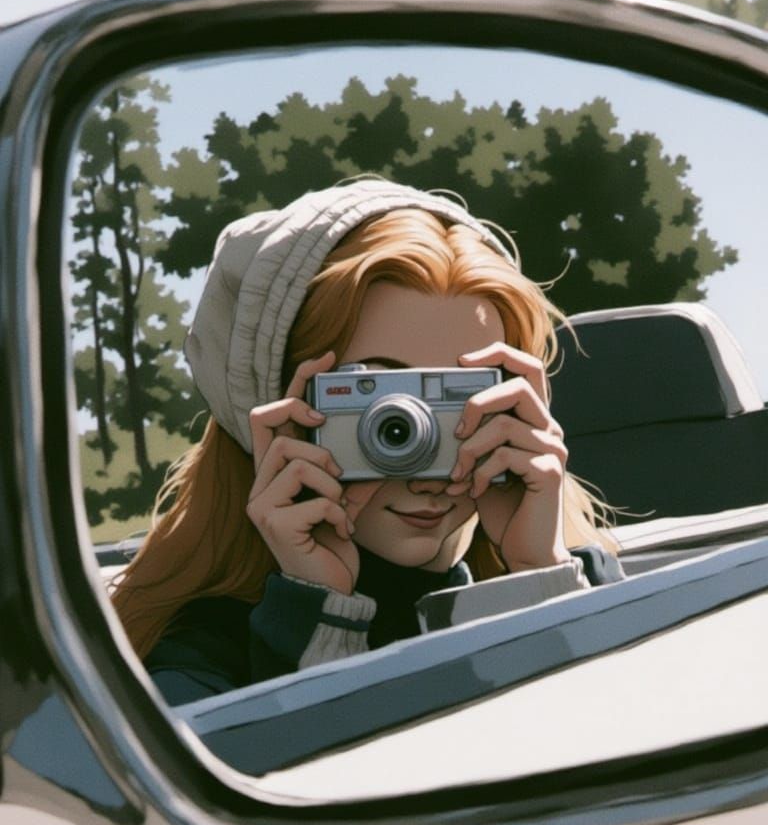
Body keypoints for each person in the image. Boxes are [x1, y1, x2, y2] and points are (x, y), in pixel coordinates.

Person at [111, 178, 623, 705]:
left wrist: (541, 573)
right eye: (384, 414)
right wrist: (317, 615)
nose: (428, 473)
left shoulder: (573, 577)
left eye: (461, 402)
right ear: (277, 414)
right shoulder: (187, 669)